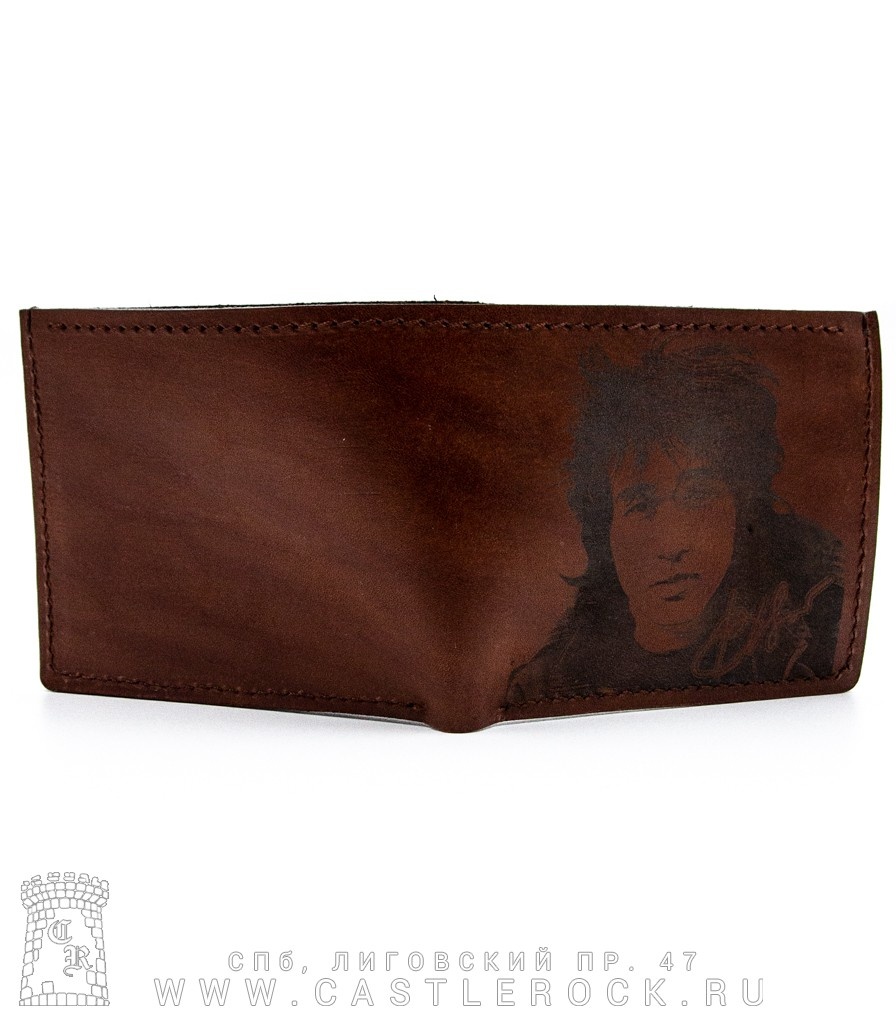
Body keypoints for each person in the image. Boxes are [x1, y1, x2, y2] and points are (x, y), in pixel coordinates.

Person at [505, 343, 844, 705]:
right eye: (639, 505)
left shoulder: (810, 639)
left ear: (741, 508)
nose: (672, 544)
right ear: (604, 531)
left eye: (698, 495)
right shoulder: (548, 686)